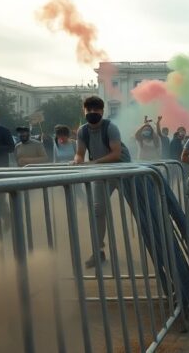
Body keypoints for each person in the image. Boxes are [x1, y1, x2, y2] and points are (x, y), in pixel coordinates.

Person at [74, 96, 131, 268]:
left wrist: (93, 163)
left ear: (102, 111)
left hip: (122, 170)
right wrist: (77, 160)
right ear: (84, 111)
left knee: (138, 205)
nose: (92, 113)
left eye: (96, 110)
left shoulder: (110, 127)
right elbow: (80, 152)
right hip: (101, 173)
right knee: (97, 210)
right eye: (88, 110)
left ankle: (156, 246)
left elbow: (115, 154)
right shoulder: (82, 131)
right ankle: (98, 251)